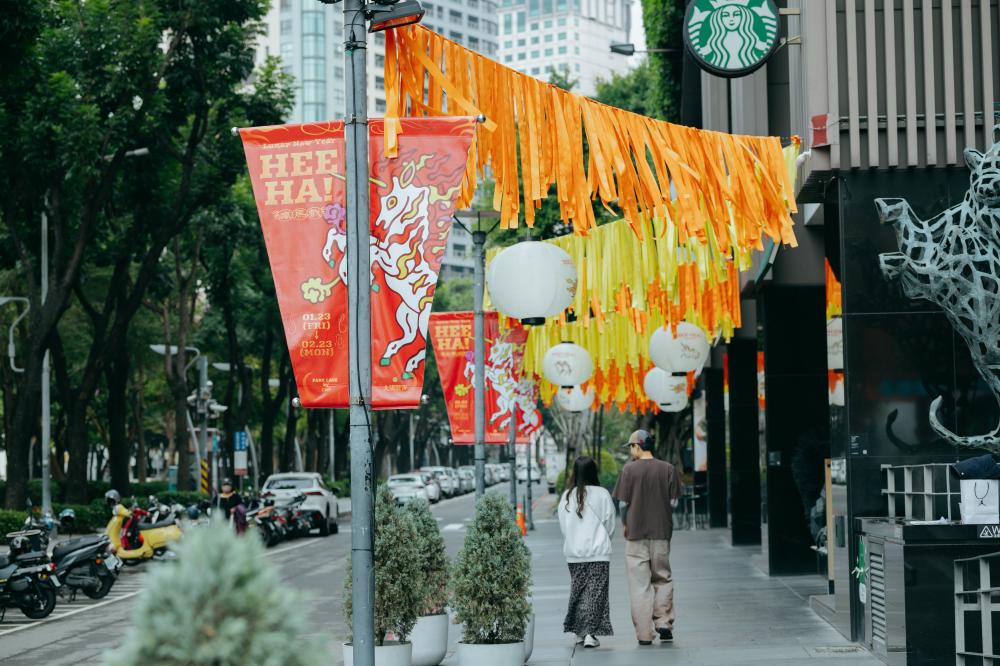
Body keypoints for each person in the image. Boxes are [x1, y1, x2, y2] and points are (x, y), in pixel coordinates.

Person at [612, 429, 682, 646]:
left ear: (638, 446)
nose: (631, 450)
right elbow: (674, 503)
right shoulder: (668, 469)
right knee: (662, 577)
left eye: (631, 446)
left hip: (635, 535)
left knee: (639, 584)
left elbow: (623, 504)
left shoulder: (629, 470)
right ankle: (664, 623)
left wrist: (626, 523)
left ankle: (644, 634)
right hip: (661, 533)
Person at [558, 456, 615, 649]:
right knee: (596, 592)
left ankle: (579, 632)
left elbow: (564, 526)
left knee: (578, 591)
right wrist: (603, 539)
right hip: (599, 552)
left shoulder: (567, 495)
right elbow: (610, 524)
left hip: (574, 553)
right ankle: (591, 633)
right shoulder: (602, 494)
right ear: (593, 472)